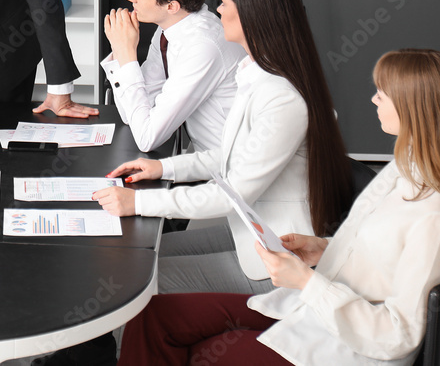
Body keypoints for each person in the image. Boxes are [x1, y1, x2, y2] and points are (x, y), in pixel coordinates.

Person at [117, 48, 440, 366]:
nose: (374, 99)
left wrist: (306, 281)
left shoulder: (432, 215)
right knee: (153, 316)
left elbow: (397, 336)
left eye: (383, 93)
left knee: (207, 354)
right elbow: (384, 257)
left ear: (415, 107)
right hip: (319, 307)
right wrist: (323, 249)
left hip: (348, 343)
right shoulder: (405, 169)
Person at [94, 0, 352, 294]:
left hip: (276, 257)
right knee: (145, 256)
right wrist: (163, 167)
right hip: (252, 227)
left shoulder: (280, 97)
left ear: (251, 15)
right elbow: (231, 156)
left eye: (225, 2)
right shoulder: (256, 73)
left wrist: (136, 203)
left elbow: (230, 193)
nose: (217, 9)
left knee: (137, 278)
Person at [102, 0, 244, 153]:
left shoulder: (203, 47)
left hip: (230, 171)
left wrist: (126, 53)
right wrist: (121, 52)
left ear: (171, 6)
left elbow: (147, 137)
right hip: (202, 161)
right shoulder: (167, 31)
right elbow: (134, 115)